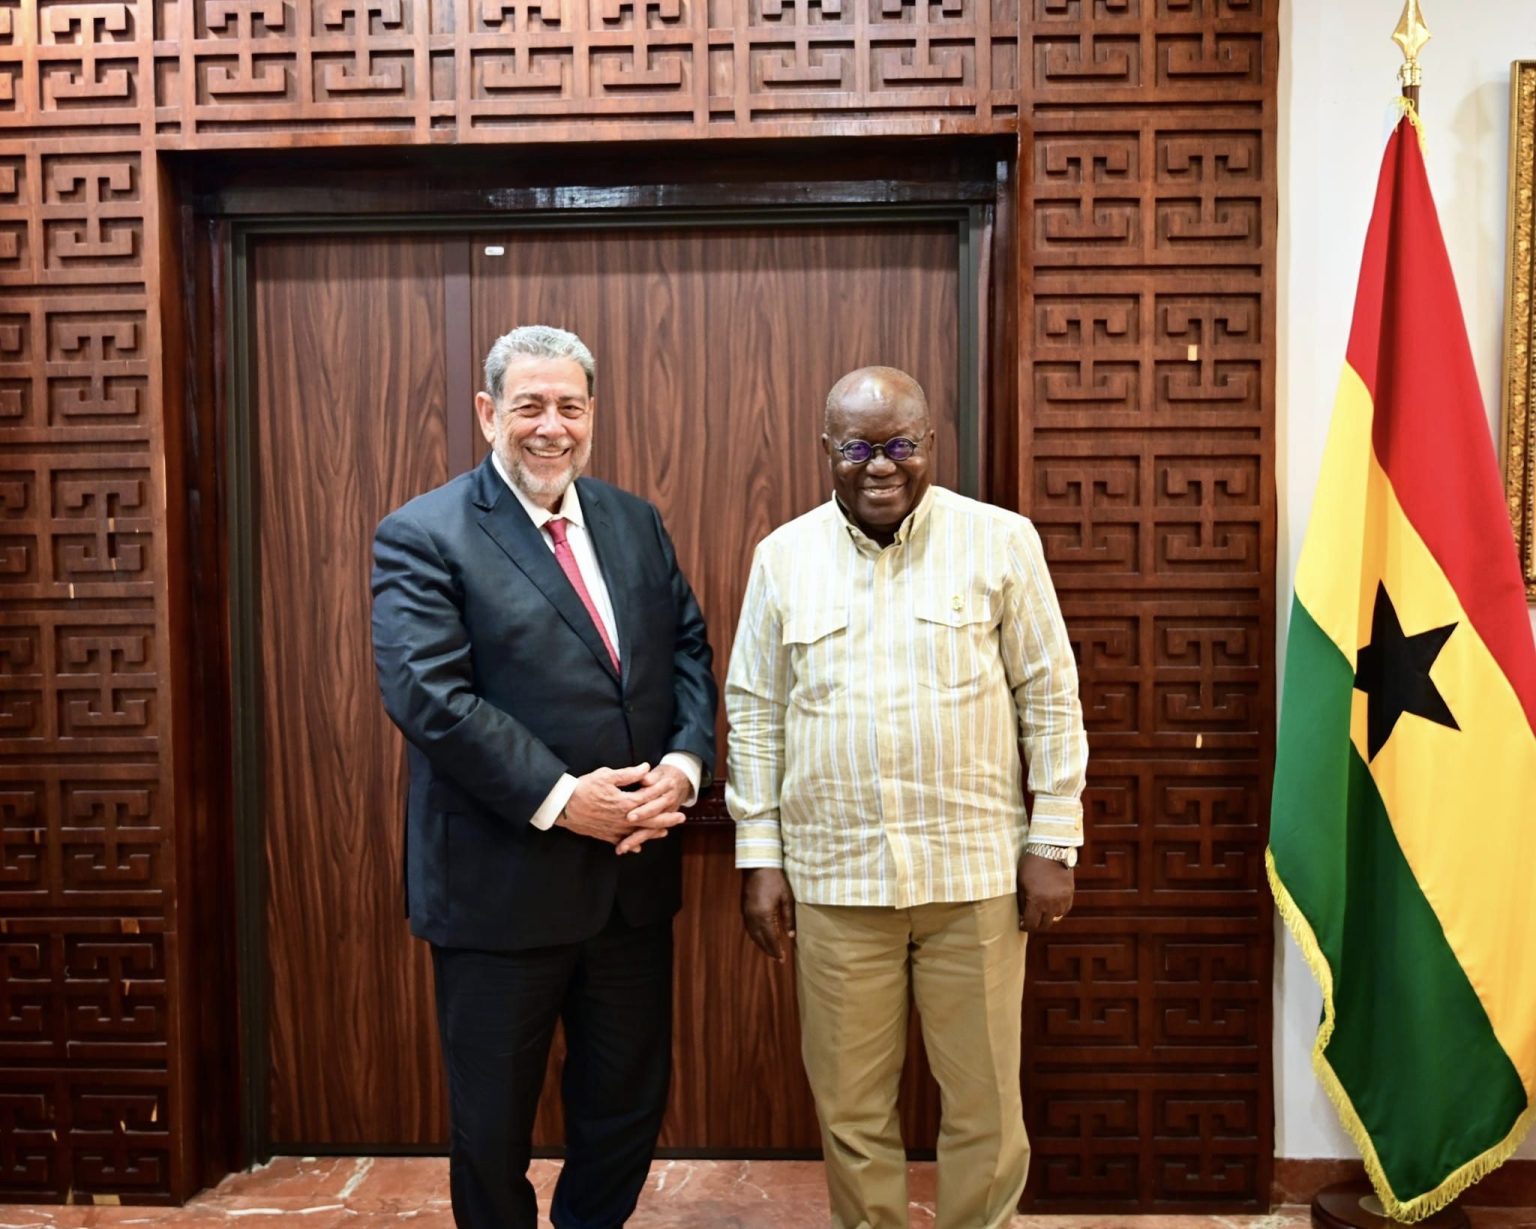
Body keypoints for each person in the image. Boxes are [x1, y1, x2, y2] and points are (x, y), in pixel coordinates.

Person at [725, 366, 1088, 1229]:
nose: (880, 465)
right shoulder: (783, 557)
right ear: (827, 449)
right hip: (837, 883)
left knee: (986, 1103)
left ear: (930, 441)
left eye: (899, 445)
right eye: (857, 448)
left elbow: (1049, 694)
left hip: (975, 878)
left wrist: (1053, 839)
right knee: (850, 1106)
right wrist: (759, 856)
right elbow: (755, 712)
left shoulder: (1001, 541)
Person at [371, 325, 716, 1229]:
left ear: (592, 412)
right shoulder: (424, 533)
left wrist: (683, 767)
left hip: (631, 886)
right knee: (491, 1128)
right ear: (490, 412)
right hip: (500, 887)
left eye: (569, 406)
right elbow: (428, 695)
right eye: (530, 406)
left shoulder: (634, 521)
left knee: (627, 1105)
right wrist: (566, 800)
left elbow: (687, 648)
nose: (551, 426)